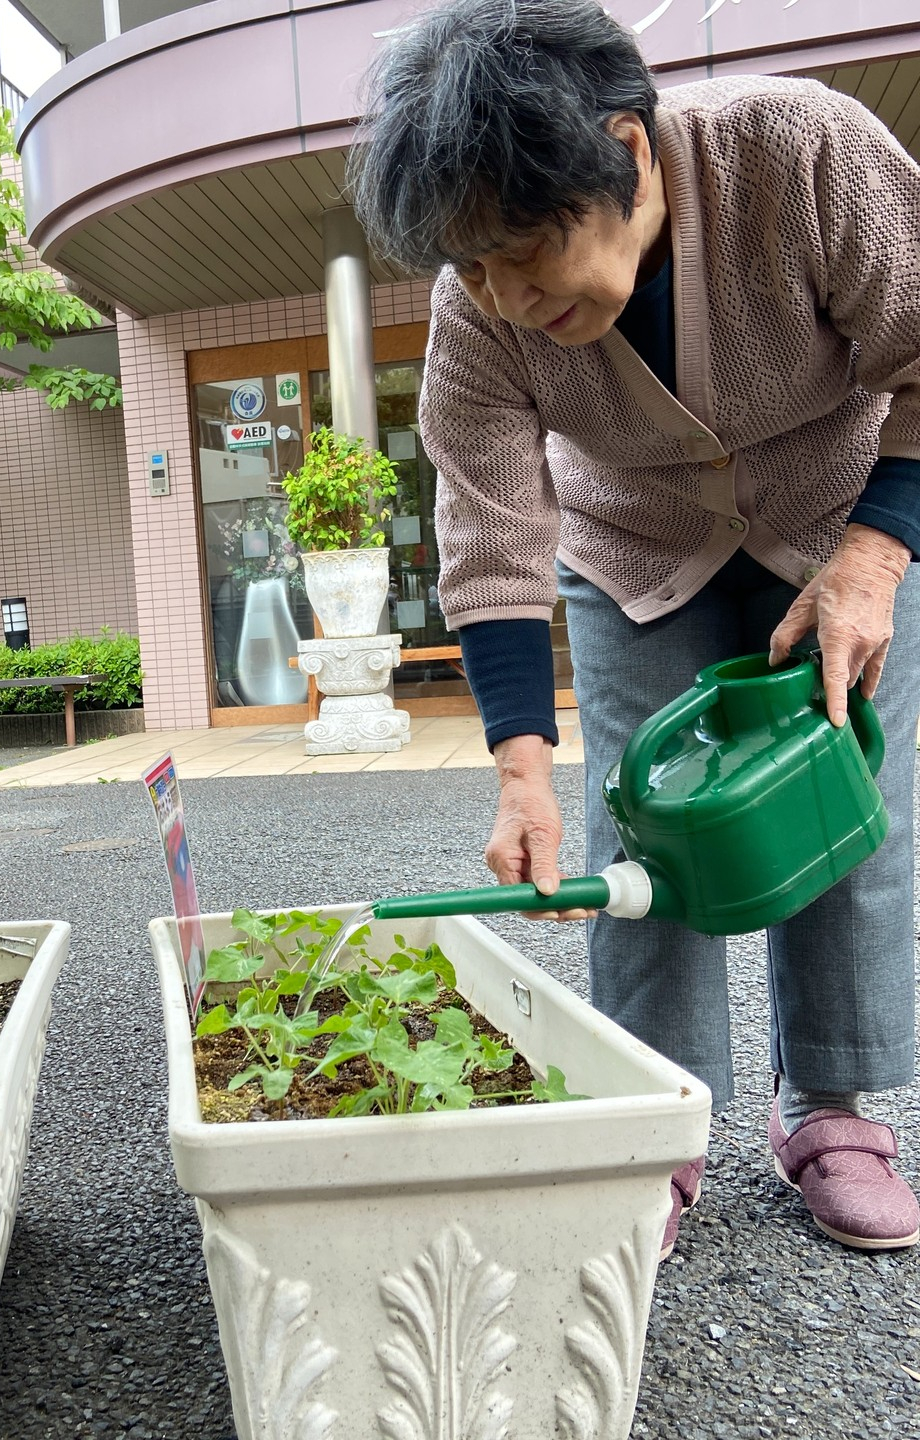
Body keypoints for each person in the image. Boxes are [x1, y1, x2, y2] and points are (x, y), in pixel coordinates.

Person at [350, 0, 920, 1257]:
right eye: (469, 264)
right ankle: (655, 1126)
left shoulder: (803, 154)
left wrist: (876, 556)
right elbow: (491, 529)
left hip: (840, 524)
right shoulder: (478, 313)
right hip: (636, 553)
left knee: (845, 795)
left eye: (519, 248)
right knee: (640, 835)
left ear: (628, 150)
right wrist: (519, 774)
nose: (502, 293)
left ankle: (832, 1108)